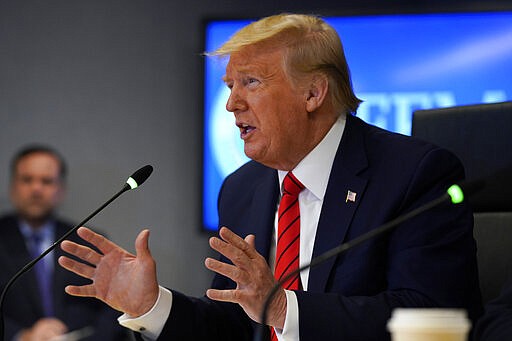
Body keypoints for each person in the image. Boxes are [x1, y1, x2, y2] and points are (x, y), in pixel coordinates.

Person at [58, 13, 482, 340]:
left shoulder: (414, 174)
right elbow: (235, 324)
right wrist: (153, 305)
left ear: (313, 93)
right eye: (229, 86)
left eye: (251, 82)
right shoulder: (243, 188)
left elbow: (433, 316)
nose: (231, 104)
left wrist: (283, 308)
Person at [0, 145, 129, 341]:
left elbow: (113, 312)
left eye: (47, 181)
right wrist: (21, 336)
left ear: (61, 190)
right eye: (27, 180)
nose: (36, 189)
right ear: (12, 187)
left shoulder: (88, 241)